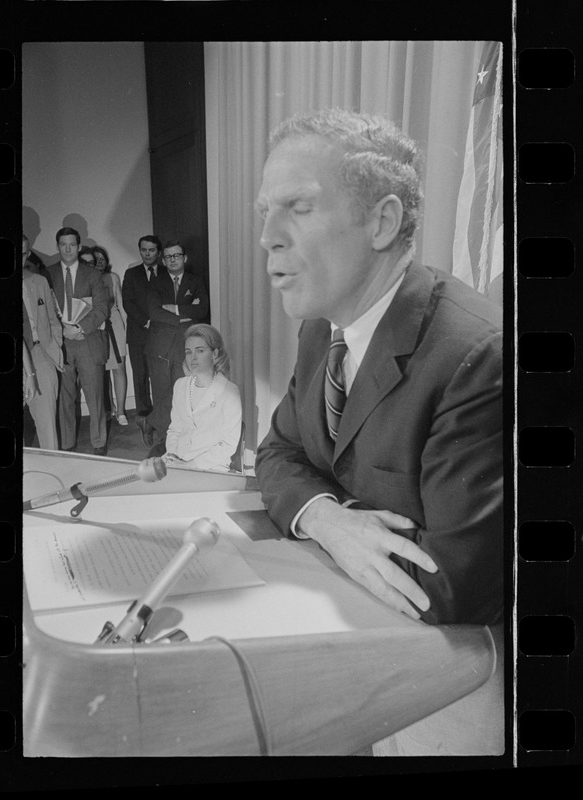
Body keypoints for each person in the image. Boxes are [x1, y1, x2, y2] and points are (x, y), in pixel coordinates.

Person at [254, 109, 503, 627]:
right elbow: (278, 450)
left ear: (382, 223)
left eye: (299, 207)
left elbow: (449, 586)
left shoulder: (476, 355)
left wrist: (326, 517)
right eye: (265, 212)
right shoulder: (321, 329)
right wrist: (328, 518)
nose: (268, 237)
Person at [47, 227, 110, 456]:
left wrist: (79, 328)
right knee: (65, 397)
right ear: (57, 246)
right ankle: (68, 444)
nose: (67, 248)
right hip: (61, 343)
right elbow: (44, 309)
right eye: (63, 244)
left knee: (95, 396)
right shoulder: (47, 274)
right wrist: (64, 331)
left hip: (88, 341)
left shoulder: (93, 274)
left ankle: (98, 443)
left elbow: (103, 308)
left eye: (72, 244)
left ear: (79, 247)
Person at [143, 241, 210, 457]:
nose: (173, 259)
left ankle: (150, 421)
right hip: (159, 346)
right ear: (163, 260)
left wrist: (175, 308)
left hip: (185, 346)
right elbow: (154, 312)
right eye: (168, 256)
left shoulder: (195, 281)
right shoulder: (155, 282)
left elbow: (202, 310)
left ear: (184, 258)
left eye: (177, 255)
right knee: (163, 392)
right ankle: (165, 443)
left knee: (184, 392)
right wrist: (185, 316)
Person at [164, 324, 242, 472]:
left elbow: (228, 444)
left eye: (200, 351)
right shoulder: (180, 385)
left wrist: (189, 466)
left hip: (210, 466)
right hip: (177, 460)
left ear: (215, 354)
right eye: (188, 352)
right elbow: (175, 429)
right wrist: (172, 455)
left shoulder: (230, 392)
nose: (192, 358)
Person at [22, 234, 64, 450]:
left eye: (21, 254)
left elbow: (52, 319)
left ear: (28, 254)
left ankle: (54, 476)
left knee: (48, 427)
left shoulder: (39, 281)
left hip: (40, 355)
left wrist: (53, 349)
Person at [122, 235, 164, 442]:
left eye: (152, 250)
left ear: (159, 252)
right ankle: (144, 423)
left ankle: (163, 422)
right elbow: (127, 302)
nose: (147, 254)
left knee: (161, 379)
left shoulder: (166, 272)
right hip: (138, 334)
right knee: (140, 378)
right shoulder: (131, 274)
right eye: (144, 250)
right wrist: (146, 321)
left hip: (161, 336)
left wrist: (157, 321)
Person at [92, 245, 129, 425]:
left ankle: (121, 411)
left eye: (102, 259)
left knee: (119, 368)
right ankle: (109, 408)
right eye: (96, 259)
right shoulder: (86, 279)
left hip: (115, 324)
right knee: (101, 371)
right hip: (96, 325)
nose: (100, 262)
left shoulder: (113, 278)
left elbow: (121, 305)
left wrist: (126, 329)